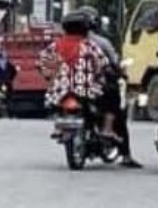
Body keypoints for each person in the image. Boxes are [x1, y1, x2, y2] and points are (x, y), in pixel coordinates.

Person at [78, 5, 142, 168]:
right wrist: (120, 72)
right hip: (97, 87)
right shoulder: (101, 42)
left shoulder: (68, 42)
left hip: (74, 86)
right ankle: (125, 155)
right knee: (116, 109)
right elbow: (115, 62)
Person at [39, 9, 114, 141]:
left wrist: (50, 76)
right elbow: (103, 63)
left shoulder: (56, 45)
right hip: (86, 90)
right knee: (109, 99)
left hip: (60, 90)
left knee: (53, 101)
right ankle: (106, 129)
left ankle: (58, 126)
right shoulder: (89, 45)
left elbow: (42, 62)